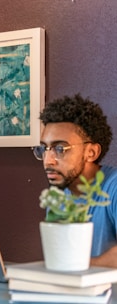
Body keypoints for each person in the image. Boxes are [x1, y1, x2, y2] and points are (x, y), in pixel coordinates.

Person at [33, 93, 117, 268]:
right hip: (69, 292)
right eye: (44, 148)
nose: (48, 160)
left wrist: (79, 270)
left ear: (91, 152)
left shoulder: (113, 187)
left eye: (60, 148)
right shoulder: (58, 197)